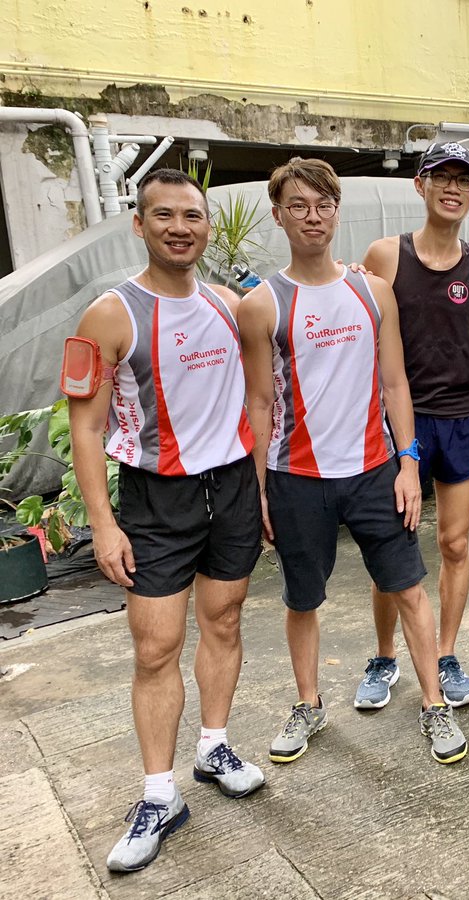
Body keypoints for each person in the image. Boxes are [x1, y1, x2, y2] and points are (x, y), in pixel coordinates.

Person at [238, 157, 467, 765]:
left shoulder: (372, 290)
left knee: (409, 589)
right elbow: (258, 402)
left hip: (375, 471)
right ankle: (308, 704)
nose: (312, 217)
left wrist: (409, 463)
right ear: (279, 215)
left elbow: (395, 383)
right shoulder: (261, 305)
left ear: (337, 211)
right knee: (302, 599)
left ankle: (433, 704)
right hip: (296, 476)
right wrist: (259, 489)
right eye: (298, 206)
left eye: (323, 205)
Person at [69, 168, 265, 872]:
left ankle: (214, 747)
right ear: (140, 224)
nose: (180, 228)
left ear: (207, 226)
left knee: (226, 620)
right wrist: (103, 523)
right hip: (156, 499)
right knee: (155, 647)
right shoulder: (109, 316)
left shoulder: (228, 304)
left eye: (192, 216)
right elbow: (86, 427)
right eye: (164, 216)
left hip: (232, 487)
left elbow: (267, 378)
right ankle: (159, 794)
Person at [356, 142, 469, 710]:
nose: (452, 188)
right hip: (401, 423)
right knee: (393, 549)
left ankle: (446, 655)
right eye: (442, 177)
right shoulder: (386, 255)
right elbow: (349, 312)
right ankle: (384, 656)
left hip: (460, 419)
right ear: (421, 186)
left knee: (455, 543)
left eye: (463, 180)